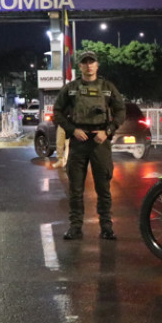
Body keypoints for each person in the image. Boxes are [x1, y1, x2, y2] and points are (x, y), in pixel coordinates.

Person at [52, 50, 125, 240]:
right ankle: (75, 227)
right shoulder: (71, 88)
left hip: (100, 141)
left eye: (91, 62)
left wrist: (107, 131)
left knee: (103, 187)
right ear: (80, 66)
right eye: (84, 62)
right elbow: (57, 111)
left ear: (97, 65)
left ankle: (106, 227)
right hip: (78, 141)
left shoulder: (107, 87)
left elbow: (120, 111)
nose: (88, 65)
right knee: (75, 188)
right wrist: (72, 129)